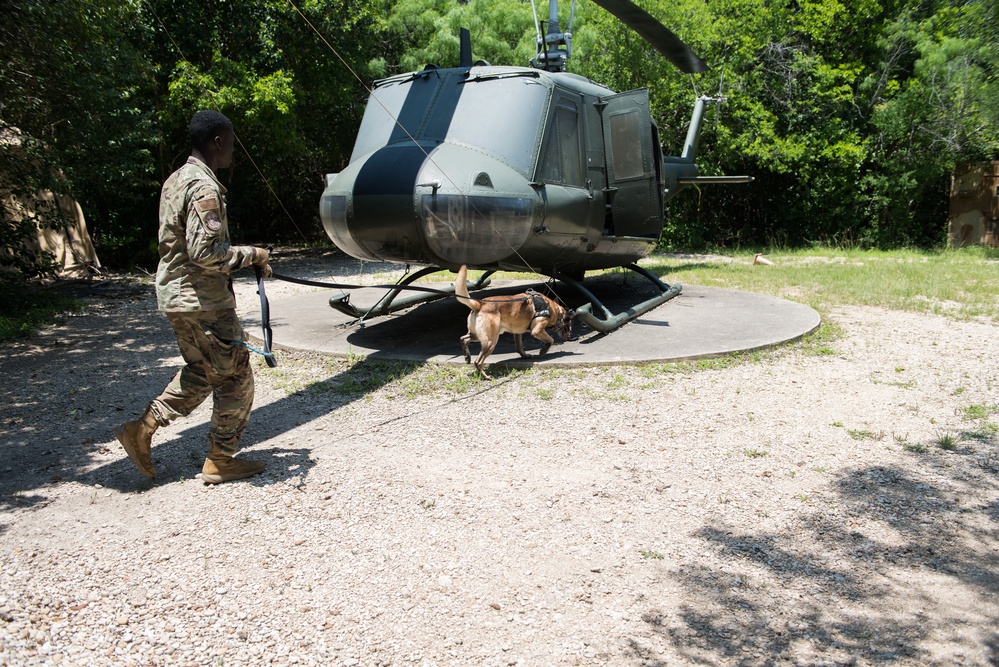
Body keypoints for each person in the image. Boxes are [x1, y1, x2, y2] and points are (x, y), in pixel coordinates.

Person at [115, 110, 273, 484]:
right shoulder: (204, 186)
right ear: (217, 142)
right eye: (231, 144)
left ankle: (142, 429)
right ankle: (220, 459)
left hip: (177, 296)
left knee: (204, 370)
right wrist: (254, 254)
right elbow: (205, 254)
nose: (233, 152)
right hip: (204, 301)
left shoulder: (175, 180)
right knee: (235, 376)